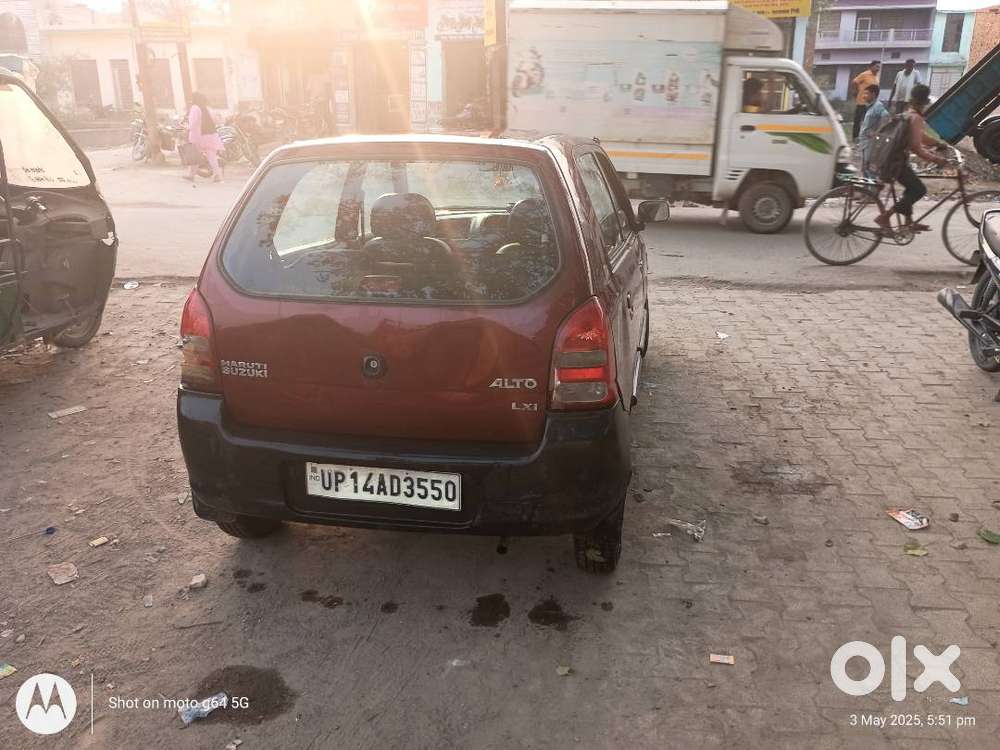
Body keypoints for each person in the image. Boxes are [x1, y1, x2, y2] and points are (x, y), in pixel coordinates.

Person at [875, 84, 948, 233]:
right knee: (919, 190)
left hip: (892, 160)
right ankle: (885, 216)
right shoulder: (916, 118)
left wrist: (937, 143)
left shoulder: (908, 113)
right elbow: (916, 147)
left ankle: (908, 222)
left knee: (911, 188)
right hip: (897, 163)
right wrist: (936, 159)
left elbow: (920, 136)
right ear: (926, 101)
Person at [185, 92, 223, 183]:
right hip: (211, 135)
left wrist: (187, 128)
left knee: (194, 156)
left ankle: (191, 175)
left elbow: (193, 123)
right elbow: (217, 121)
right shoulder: (208, 108)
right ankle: (218, 175)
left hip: (198, 136)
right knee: (212, 157)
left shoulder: (195, 108)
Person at [857, 84, 889, 176]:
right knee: (864, 169)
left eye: (866, 93)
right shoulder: (870, 107)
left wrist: (878, 132)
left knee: (869, 169)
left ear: (873, 94)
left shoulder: (877, 106)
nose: (864, 96)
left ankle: (871, 189)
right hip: (864, 142)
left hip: (870, 143)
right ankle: (866, 189)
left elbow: (886, 116)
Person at [850, 61, 881, 140]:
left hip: (871, 103)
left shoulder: (876, 77)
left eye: (879, 67)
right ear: (871, 67)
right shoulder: (865, 74)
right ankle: (855, 137)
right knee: (858, 120)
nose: (878, 68)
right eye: (876, 66)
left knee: (869, 121)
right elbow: (855, 82)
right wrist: (856, 91)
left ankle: (865, 137)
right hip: (862, 101)